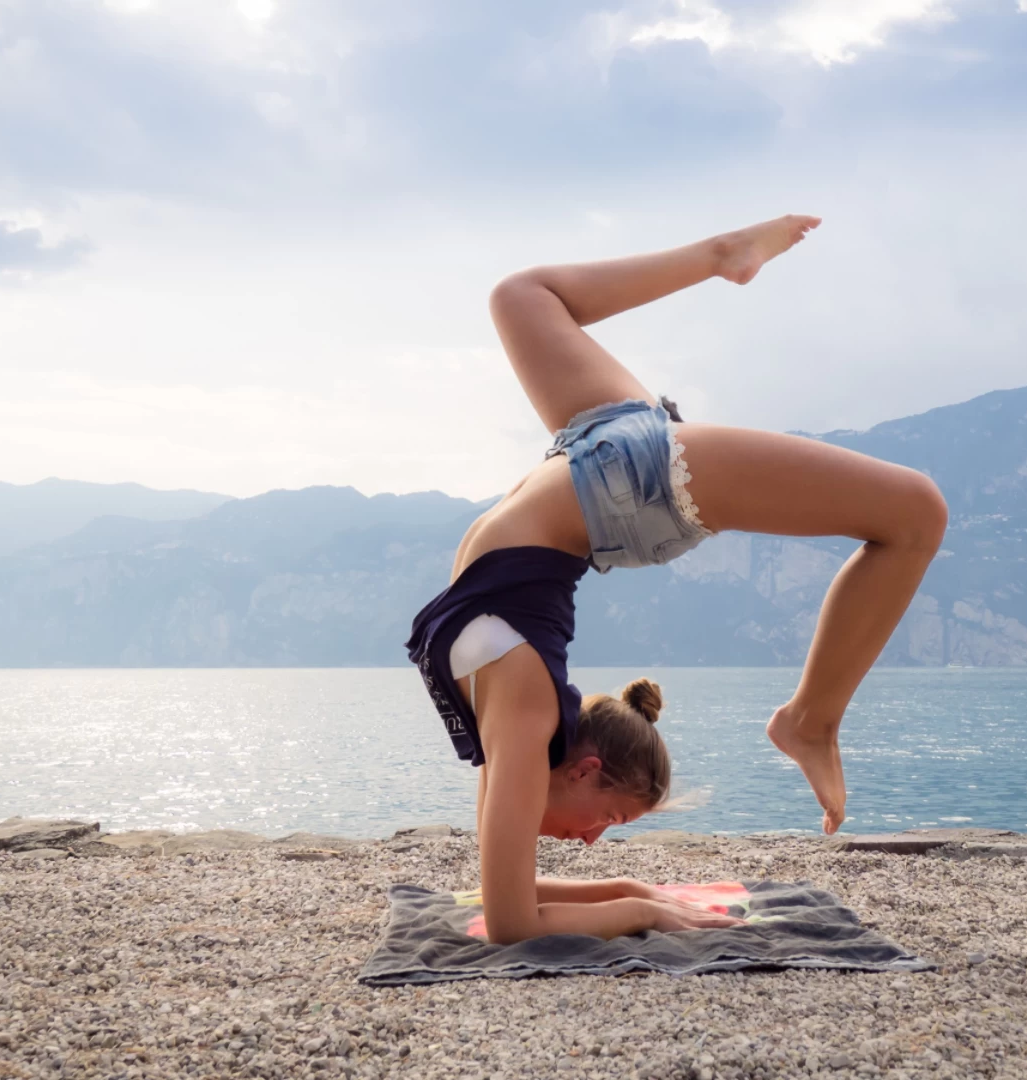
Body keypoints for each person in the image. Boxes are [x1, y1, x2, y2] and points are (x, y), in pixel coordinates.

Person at [406, 215, 949, 944]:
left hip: (618, 472)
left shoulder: (523, 714)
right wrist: (643, 904)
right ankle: (718, 255)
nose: (596, 840)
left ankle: (810, 721)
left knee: (917, 513)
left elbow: (503, 912)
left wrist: (636, 896)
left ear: (587, 767)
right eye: (614, 827)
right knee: (913, 516)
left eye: (612, 821)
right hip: (604, 467)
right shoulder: (516, 715)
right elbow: (508, 904)